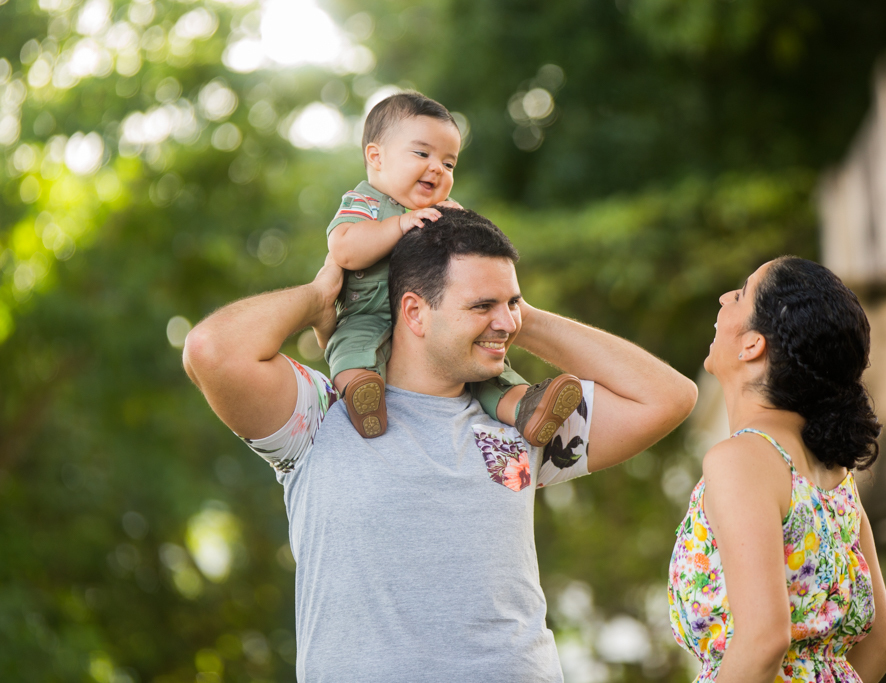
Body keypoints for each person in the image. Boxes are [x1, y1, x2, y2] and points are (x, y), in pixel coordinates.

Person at [183, 207, 698, 682]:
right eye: (481, 305)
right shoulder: (319, 415)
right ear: (414, 311)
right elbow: (211, 350)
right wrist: (321, 298)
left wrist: (518, 316)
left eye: (511, 302)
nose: (505, 322)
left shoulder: (526, 419)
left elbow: (668, 398)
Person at [667, 256, 886, 683]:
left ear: (752, 345)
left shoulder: (741, 460)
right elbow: (881, 647)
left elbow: (763, 643)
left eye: (740, 295)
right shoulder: (836, 476)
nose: (724, 298)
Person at [322, 91, 581, 444]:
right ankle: (363, 398)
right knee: (352, 350)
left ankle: (526, 408)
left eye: (449, 164)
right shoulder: (364, 203)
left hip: (436, 325)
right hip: (367, 312)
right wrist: (399, 225)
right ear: (376, 156)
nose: (437, 168)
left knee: (486, 370)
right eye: (422, 153)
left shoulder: (443, 208)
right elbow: (345, 250)